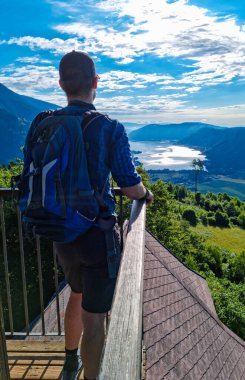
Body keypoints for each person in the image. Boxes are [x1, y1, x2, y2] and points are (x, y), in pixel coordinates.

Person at [47, 51, 153, 380]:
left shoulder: (45, 123)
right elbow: (129, 183)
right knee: (96, 317)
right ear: (96, 83)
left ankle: (69, 362)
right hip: (97, 236)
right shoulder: (109, 127)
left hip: (61, 232)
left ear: (62, 84)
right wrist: (146, 195)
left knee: (74, 294)